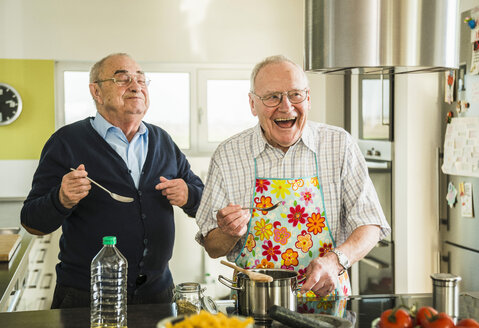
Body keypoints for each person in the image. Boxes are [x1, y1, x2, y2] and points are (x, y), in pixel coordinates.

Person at [195, 55, 390, 301]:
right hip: (254, 305)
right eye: (272, 97)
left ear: (308, 99)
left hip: (327, 304)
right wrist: (228, 232)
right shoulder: (228, 155)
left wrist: (335, 261)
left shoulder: (339, 144)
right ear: (252, 104)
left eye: (295, 94)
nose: (286, 106)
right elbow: (213, 247)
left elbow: (371, 224)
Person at [21, 53, 204, 308]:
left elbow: (202, 200)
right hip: (86, 297)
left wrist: (189, 195)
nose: (136, 86)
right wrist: (61, 199)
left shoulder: (162, 140)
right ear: (96, 91)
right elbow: (31, 222)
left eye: (141, 79)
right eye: (122, 79)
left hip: (157, 296)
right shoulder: (66, 142)